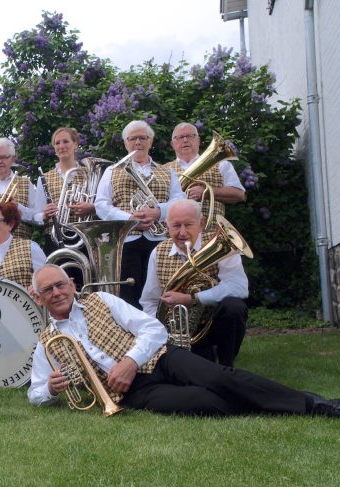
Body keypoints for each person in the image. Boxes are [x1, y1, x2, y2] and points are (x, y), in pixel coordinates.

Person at [27, 264, 340, 417]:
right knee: (204, 402)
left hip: (161, 359)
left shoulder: (102, 300)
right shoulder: (46, 342)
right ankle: (274, 403)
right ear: (39, 298)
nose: (57, 293)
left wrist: (130, 361)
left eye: (60, 285)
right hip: (134, 393)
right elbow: (34, 392)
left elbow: (153, 329)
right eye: (48, 290)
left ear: (72, 284)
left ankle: (314, 404)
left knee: (221, 378)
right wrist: (50, 390)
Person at [140, 199, 248, 366]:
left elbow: (239, 287)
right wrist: (157, 333)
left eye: (188, 225)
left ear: (201, 224)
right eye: (176, 226)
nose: (182, 232)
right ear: (167, 226)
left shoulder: (222, 245)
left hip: (214, 323)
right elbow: (150, 301)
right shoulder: (158, 252)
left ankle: (226, 364)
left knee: (234, 307)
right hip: (178, 332)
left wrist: (192, 298)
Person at [94, 120, 185, 309]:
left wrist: (158, 211)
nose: (138, 142)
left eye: (143, 138)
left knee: (161, 291)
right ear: (125, 143)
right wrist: (129, 219)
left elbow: (179, 200)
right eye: (132, 138)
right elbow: (101, 205)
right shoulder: (111, 171)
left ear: (150, 141)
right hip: (125, 240)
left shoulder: (167, 171)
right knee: (128, 293)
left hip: (160, 240)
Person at [164, 122, 245, 223]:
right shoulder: (163, 170)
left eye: (190, 136)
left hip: (210, 230)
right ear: (172, 144)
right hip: (172, 231)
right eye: (180, 137)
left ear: (198, 140)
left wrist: (206, 192)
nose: (185, 140)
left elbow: (239, 194)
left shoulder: (221, 165)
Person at [39, 127, 96, 254]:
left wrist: (92, 207)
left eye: (65, 141)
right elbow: (36, 213)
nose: (61, 146)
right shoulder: (44, 178)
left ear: (75, 144)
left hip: (84, 237)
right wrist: (44, 214)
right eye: (57, 143)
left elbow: (102, 203)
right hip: (54, 239)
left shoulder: (89, 173)